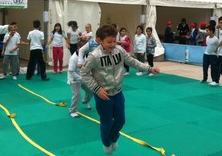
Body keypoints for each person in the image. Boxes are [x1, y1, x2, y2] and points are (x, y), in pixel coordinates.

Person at [80, 24, 160, 155]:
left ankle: (114, 138)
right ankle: (106, 142)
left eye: (114, 41)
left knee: (121, 120)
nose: (112, 44)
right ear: (100, 40)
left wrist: (149, 68)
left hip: (118, 93)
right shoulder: (94, 56)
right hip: (103, 96)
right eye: (109, 42)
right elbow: (84, 73)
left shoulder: (119, 51)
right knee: (106, 122)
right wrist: (97, 89)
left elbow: (132, 62)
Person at [67, 40, 93, 118]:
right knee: (77, 94)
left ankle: (85, 101)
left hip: (82, 77)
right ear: (78, 48)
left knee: (90, 91)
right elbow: (71, 71)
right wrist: (81, 78)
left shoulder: (84, 55)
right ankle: (72, 111)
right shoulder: (73, 58)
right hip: (74, 79)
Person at [214, 16, 222, 86]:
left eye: (221, 23)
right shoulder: (220, 30)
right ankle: (216, 81)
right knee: (217, 66)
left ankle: (216, 81)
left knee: (220, 68)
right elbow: (217, 27)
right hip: (220, 53)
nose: (220, 24)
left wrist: (216, 47)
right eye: (219, 23)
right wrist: (218, 27)